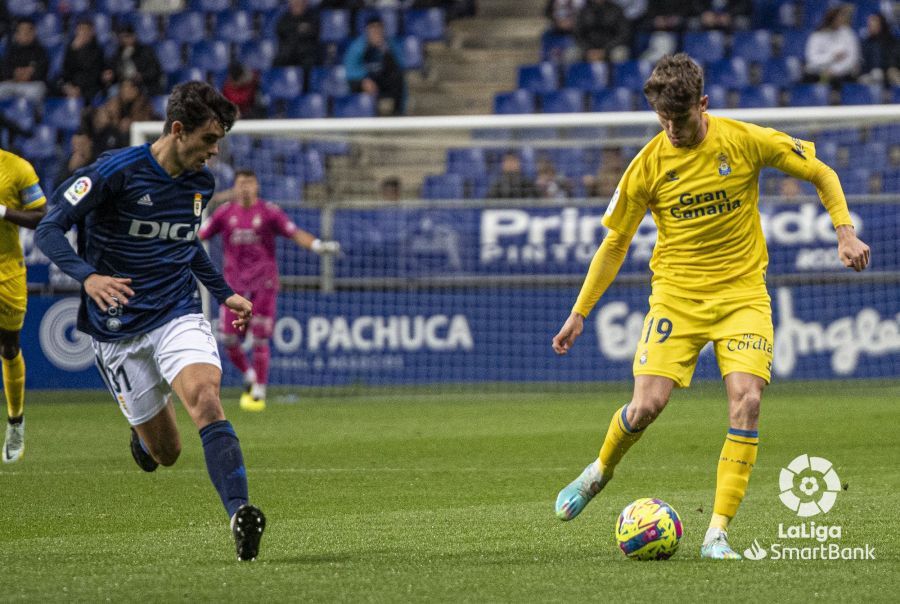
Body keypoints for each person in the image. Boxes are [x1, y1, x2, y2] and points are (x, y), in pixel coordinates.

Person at [551, 54, 870, 560]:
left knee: (747, 401)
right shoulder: (647, 166)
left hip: (742, 295)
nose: (672, 130)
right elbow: (615, 244)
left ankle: (716, 533)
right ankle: (598, 472)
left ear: (703, 104)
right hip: (676, 298)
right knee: (645, 406)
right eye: (663, 120)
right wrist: (579, 311)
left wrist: (845, 233)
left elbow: (822, 172)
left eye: (679, 119)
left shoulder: (743, 140)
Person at [35, 81, 266, 562]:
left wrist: (223, 292)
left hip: (176, 310)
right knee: (167, 453)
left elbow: (185, 243)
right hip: (116, 326)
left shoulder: (201, 184)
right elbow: (49, 228)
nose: (214, 151)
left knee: (206, 399)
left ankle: (240, 513)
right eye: (208, 139)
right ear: (178, 130)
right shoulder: (113, 172)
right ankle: (143, 440)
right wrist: (88, 276)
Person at [198, 169, 340, 412]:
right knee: (228, 338)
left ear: (257, 186)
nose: (245, 187)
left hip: (263, 283)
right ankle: (249, 374)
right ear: (234, 187)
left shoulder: (269, 212)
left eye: (249, 183)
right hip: (233, 287)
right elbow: (200, 236)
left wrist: (317, 245)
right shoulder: (224, 213)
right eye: (241, 183)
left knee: (260, 337)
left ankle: (260, 390)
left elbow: (294, 233)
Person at [0, 148, 47, 463]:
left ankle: (15, 421)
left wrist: (3, 212)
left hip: (7, 273)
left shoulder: (17, 168)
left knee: (8, 347)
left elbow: (41, 216)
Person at [344, 16, 406, 115]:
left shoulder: (389, 44)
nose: (376, 31)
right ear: (367, 30)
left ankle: (397, 113)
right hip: (364, 79)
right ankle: (364, 112)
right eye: (373, 28)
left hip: (381, 79)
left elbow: (398, 65)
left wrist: (384, 50)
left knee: (398, 78)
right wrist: (363, 80)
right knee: (354, 83)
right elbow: (350, 69)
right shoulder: (358, 46)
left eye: (378, 27)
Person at [804, 4, 861, 85]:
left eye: (843, 16)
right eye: (839, 17)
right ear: (831, 19)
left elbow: (852, 58)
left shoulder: (848, 33)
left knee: (849, 78)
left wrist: (835, 71)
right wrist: (832, 57)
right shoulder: (817, 35)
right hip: (818, 73)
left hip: (841, 75)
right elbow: (812, 59)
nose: (842, 19)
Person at [102, 24, 163, 96]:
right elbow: (113, 69)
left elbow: (155, 70)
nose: (124, 40)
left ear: (134, 36)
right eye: (121, 37)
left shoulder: (144, 51)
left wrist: (142, 76)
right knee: (113, 91)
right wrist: (111, 75)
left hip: (143, 85)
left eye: (127, 36)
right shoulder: (118, 53)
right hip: (124, 84)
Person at [0, 19, 49, 103]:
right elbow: (5, 70)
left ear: (33, 33)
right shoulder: (11, 51)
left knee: (36, 91)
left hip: (32, 84)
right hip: (13, 83)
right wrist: (15, 73)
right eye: (21, 31)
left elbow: (42, 70)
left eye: (28, 31)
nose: (24, 34)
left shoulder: (40, 51)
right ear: (16, 34)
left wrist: (29, 74)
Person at [58, 18, 105, 102]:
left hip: (88, 87)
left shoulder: (97, 50)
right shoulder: (71, 48)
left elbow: (92, 74)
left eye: (85, 30)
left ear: (92, 32)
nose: (82, 33)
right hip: (71, 86)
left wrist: (78, 89)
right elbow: (67, 71)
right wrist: (68, 87)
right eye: (80, 30)